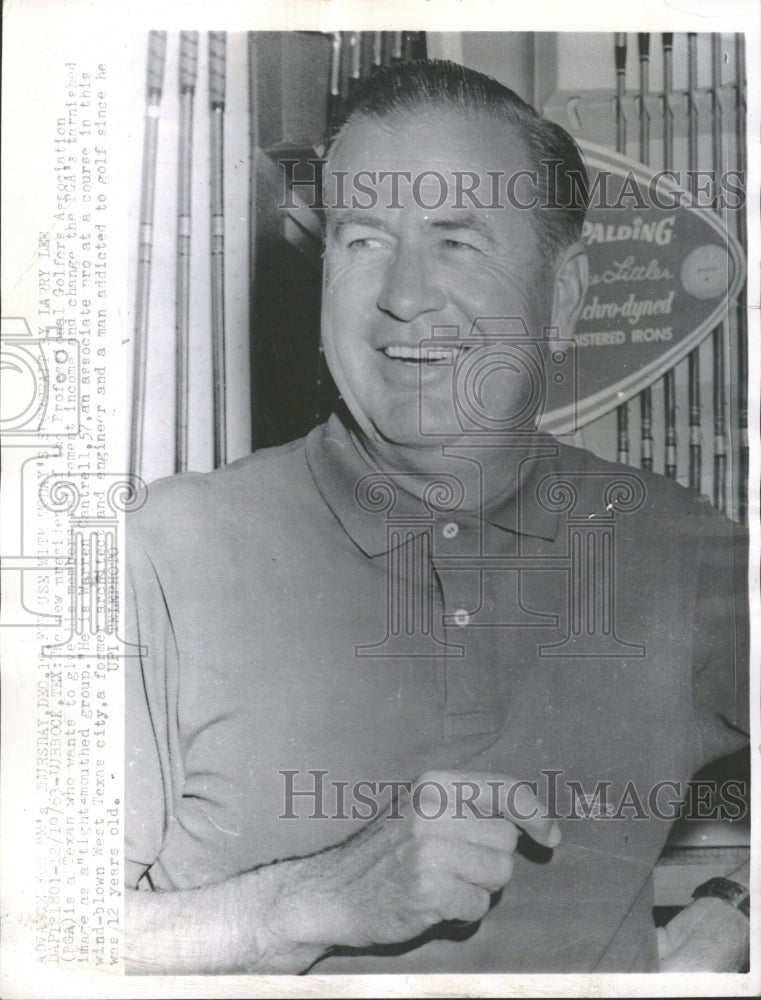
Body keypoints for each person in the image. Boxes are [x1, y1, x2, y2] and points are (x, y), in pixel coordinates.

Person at [125, 59, 749, 975]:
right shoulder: (165, 551)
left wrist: (734, 917)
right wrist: (306, 901)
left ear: (564, 295)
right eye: (363, 239)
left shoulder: (675, 548)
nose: (404, 296)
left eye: (457, 241)